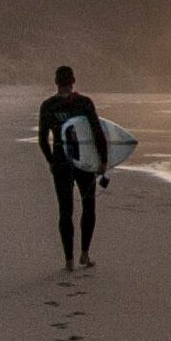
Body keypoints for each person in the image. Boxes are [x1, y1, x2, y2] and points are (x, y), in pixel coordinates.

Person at [39, 65, 108, 268]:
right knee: (88, 207)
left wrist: (51, 161)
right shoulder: (84, 103)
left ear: (56, 82)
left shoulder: (48, 106)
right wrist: (103, 161)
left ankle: (68, 260)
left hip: (61, 160)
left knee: (65, 210)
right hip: (84, 160)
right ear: (73, 80)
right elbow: (97, 133)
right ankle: (84, 255)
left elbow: (42, 139)